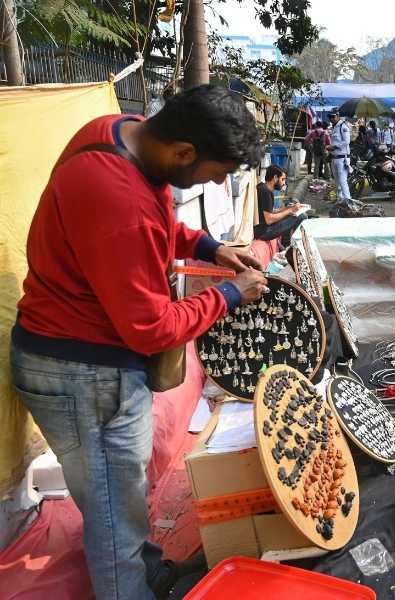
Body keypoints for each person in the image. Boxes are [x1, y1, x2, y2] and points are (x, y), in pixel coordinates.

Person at [10, 85, 268, 600]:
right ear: (183, 153)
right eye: (215, 173)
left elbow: (158, 226)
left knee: (118, 499)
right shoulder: (118, 197)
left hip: (79, 357)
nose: (217, 183)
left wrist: (210, 247)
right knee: (112, 517)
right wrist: (229, 296)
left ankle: (146, 574)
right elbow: (151, 329)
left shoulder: (120, 133)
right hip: (82, 371)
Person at [253, 165, 305, 246]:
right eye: (282, 179)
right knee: (302, 216)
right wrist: (290, 210)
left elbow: (267, 212)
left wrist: (286, 209)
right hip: (264, 232)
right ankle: (287, 244)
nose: (284, 183)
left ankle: (285, 243)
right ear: (275, 178)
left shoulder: (262, 187)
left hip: (262, 229)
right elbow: (268, 219)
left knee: (294, 214)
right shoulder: (266, 192)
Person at [327, 112, 353, 207]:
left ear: (338, 116)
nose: (331, 119)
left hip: (342, 158)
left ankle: (348, 202)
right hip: (334, 157)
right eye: (330, 117)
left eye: (333, 117)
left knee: (343, 181)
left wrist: (334, 146)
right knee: (337, 182)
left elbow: (347, 141)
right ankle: (340, 201)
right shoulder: (334, 127)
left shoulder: (343, 126)